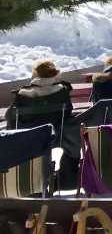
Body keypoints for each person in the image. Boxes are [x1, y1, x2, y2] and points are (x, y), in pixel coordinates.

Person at [4, 60, 80, 190]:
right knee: (72, 136)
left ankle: (29, 180)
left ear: (35, 74)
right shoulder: (62, 91)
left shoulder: (22, 95)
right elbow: (68, 112)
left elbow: (10, 117)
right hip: (57, 136)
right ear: (54, 74)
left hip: (30, 140)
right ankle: (66, 180)